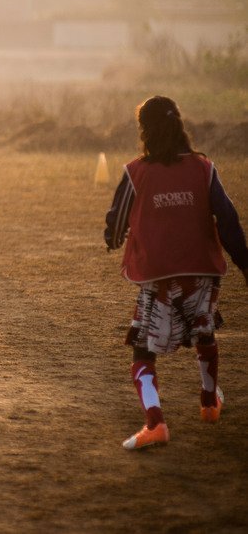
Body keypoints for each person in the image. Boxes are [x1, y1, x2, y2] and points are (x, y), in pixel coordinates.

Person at [105, 96, 248, 450]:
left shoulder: (136, 171)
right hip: (202, 271)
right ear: (180, 125)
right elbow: (228, 220)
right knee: (204, 327)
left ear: (144, 130)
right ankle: (209, 402)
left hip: (159, 276)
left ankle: (155, 423)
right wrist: (246, 266)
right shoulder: (203, 168)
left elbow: (116, 221)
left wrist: (113, 236)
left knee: (142, 350)